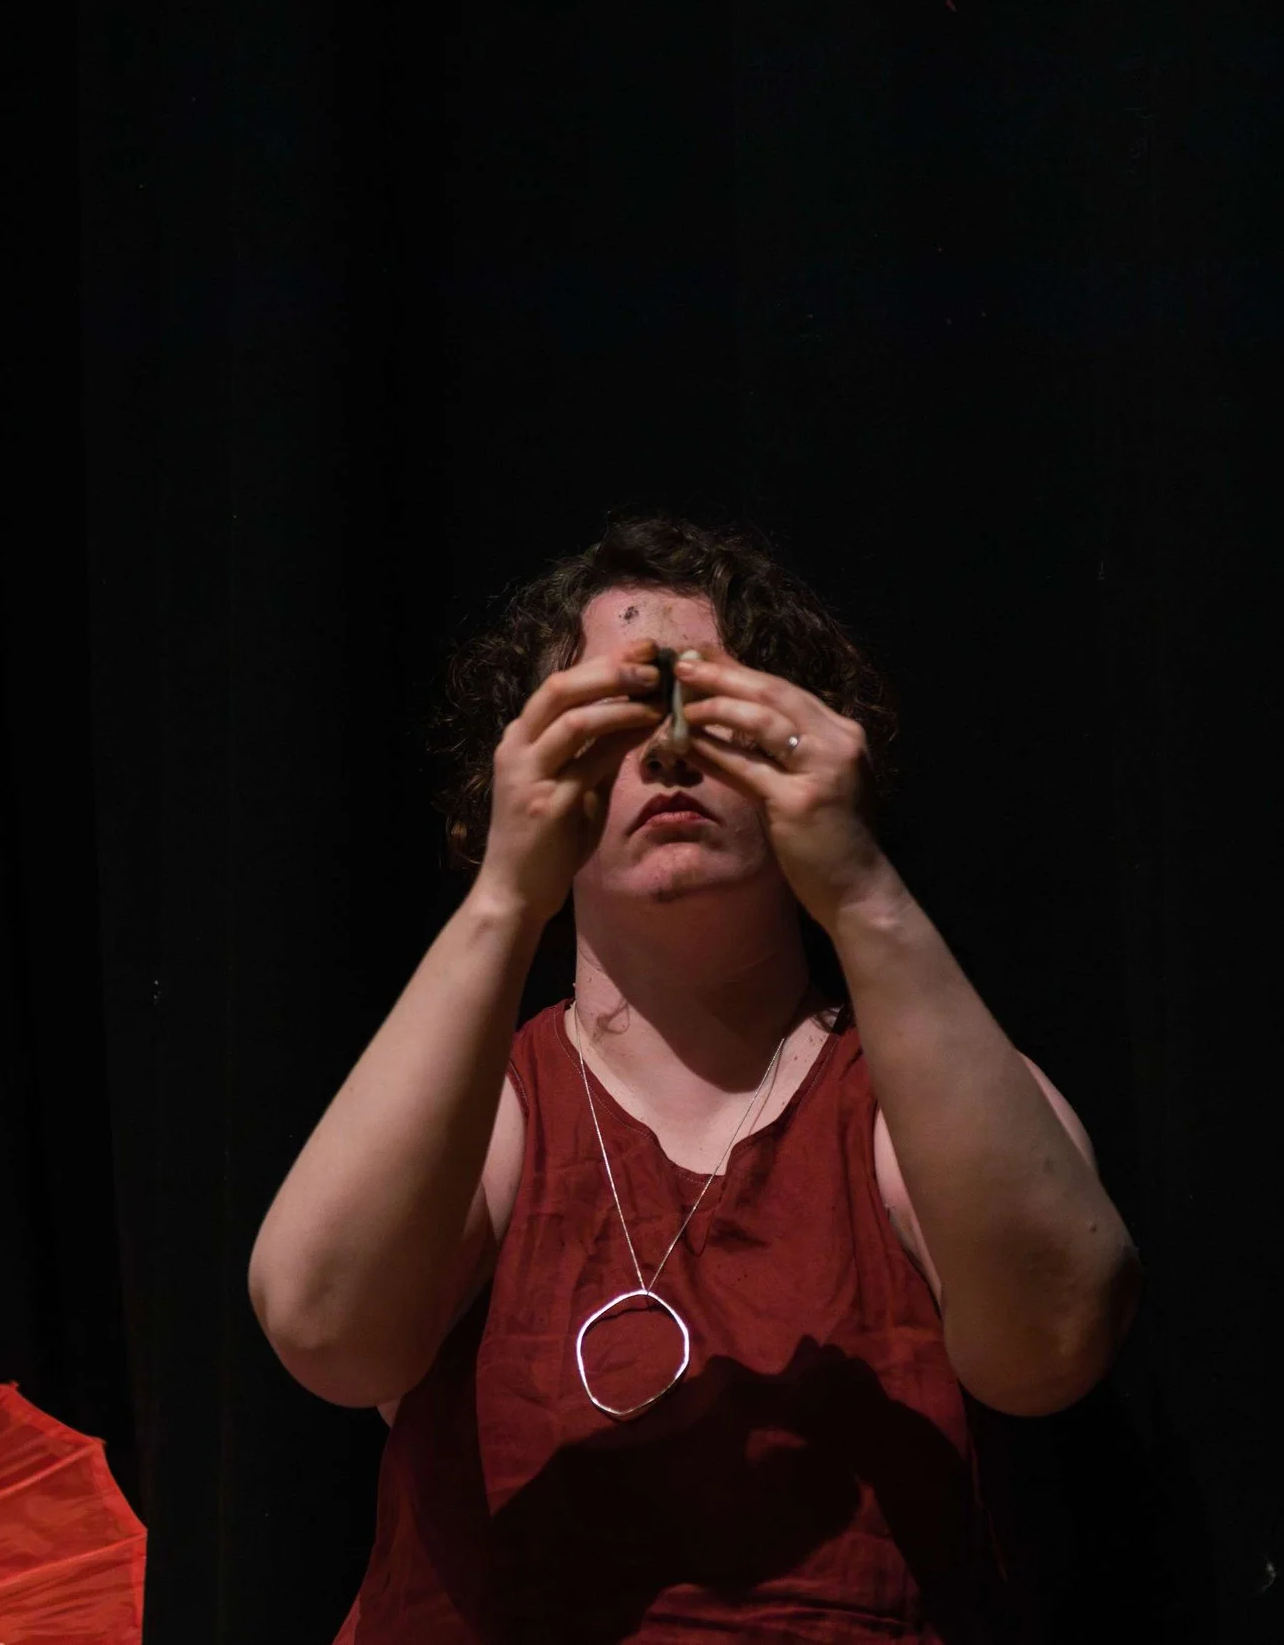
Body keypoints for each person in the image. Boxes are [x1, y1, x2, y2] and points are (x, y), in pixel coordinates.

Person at [250, 515, 1142, 1643]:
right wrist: (505, 891)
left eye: (711, 710)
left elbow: (1052, 1347)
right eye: (614, 717)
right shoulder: (484, 1109)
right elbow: (327, 1335)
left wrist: (859, 884)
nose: (668, 752)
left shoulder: (912, 1100)